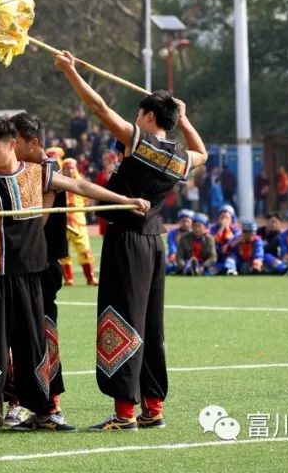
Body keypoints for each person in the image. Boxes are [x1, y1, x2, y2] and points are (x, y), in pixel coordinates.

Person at [54, 50, 207, 431]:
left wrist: (71, 72)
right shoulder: (178, 157)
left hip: (127, 240)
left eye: (139, 114)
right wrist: (185, 121)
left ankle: (124, 414)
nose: (135, 119)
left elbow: (100, 108)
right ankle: (152, 408)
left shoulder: (145, 143)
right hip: (155, 242)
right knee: (151, 325)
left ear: (149, 117)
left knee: (121, 317)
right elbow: (203, 152)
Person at [4, 114, 147, 431]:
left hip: (40, 265)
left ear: (33, 142)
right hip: (26, 264)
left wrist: (124, 200)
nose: (11, 148)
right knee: (26, 336)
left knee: (41, 335)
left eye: (16, 141)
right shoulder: (20, 171)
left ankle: (51, 409)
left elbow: (79, 188)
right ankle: (35, 406)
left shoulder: (44, 171)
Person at [59, 157, 97, 286]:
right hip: (63, 224)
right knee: (63, 252)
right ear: (62, 169)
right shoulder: (58, 183)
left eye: (71, 168)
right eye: (67, 168)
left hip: (79, 223)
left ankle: (90, 277)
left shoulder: (82, 183)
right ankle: (68, 278)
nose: (69, 171)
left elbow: (87, 202)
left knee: (85, 249)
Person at [165, 210, 194, 275]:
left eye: (188, 221)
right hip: (174, 256)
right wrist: (174, 254)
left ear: (191, 222)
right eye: (183, 221)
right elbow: (171, 246)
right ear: (179, 221)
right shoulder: (172, 233)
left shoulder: (194, 233)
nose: (185, 224)